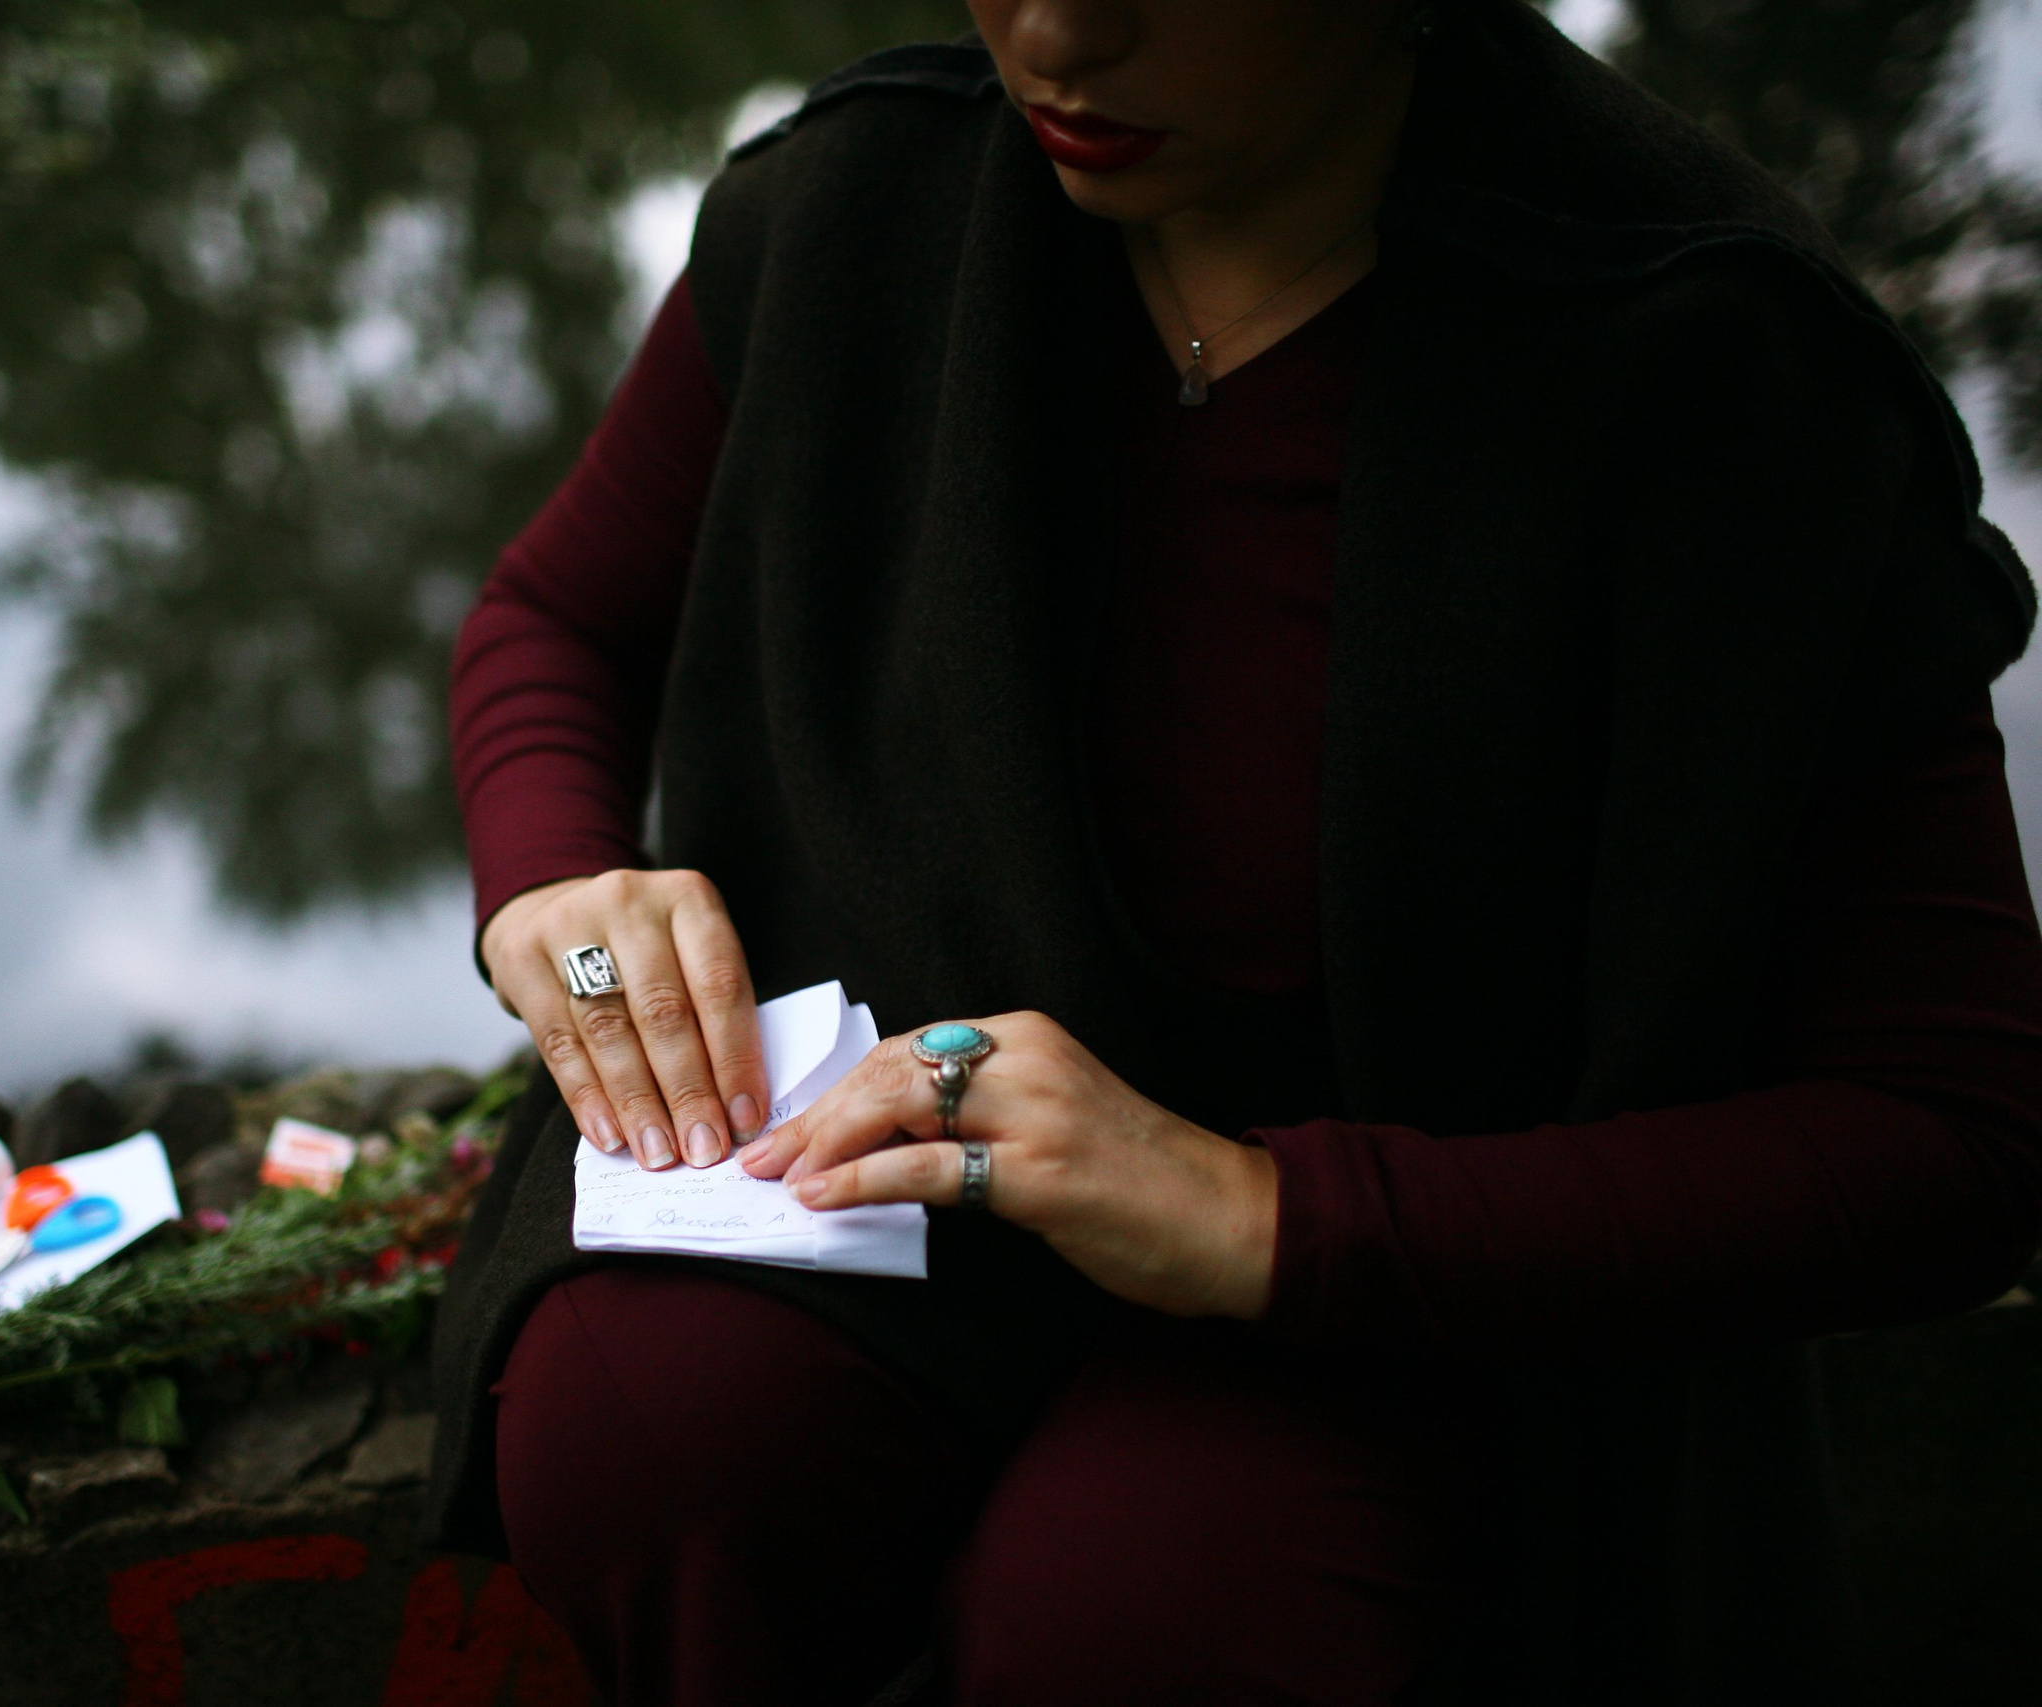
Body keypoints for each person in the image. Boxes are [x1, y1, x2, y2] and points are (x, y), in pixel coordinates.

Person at [428, 1, 2042, 1701]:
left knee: (1152, 1611)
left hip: (1400, 1284)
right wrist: (556, 887)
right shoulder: (855, 202)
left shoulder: (1722, 362)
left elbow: (1958, 1136)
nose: (1055, 32)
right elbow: (553, 617)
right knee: (641, 1428)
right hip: (895, 1179)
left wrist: (1269, 1215)